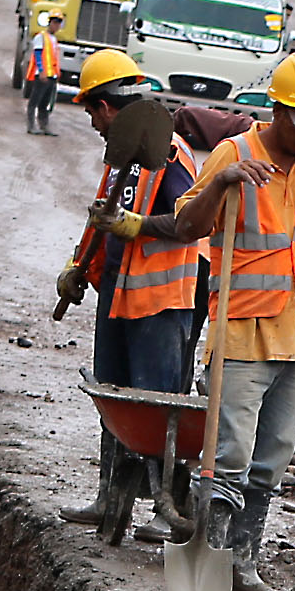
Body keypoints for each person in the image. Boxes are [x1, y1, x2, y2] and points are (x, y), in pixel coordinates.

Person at [170, 48, 295, 591]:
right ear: (275, 110)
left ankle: (244, 567)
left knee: (272, 457)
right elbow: (184, 226)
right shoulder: (236, 152)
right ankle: (211, 560)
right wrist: (222, 182)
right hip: (242, 332)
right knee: (229, 455)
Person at [61, 51, 205, 538]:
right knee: (114, 400)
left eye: (91, 112)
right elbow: (101, 220)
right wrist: (76, 266)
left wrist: (136, 225)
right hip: (118, 302)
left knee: (159, 407)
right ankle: (109, 500)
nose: (93, 123)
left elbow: (188, 224)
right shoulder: (121, 159)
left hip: (159, 307)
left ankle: (169, 508)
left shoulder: (170, 157)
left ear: (105, 106)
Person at [23, 11, 65, 134]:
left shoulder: (54, 39)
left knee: (45, 103)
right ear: (49, 23)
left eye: (58, 23)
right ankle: (31, 126)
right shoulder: (40, 37)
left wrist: (57, 73)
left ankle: (44, 126)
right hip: (42, 76)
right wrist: (41, 71)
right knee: (34, 101)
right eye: (54, 23)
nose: (56, 26)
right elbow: (37, 54)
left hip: (51, 75)